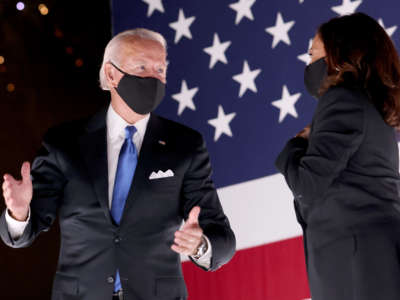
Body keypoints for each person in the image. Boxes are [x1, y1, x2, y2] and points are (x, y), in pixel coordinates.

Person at [0, 28, 236, 300]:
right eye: (142, 66)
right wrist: (18, 214)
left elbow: (222, 237)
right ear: (111, 74)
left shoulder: (185, 145)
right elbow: (24, 231)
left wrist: (200, 245)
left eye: (160, 69)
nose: (154, 77)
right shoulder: (64, 143)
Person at [276, 13, 400, 300]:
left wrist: (293, 148)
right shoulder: (368, 102)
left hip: (358, 262)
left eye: (312, 54)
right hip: (369, 258)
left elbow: (307, 186)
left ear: (336, 54)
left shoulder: (342, 98)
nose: (308, 63)